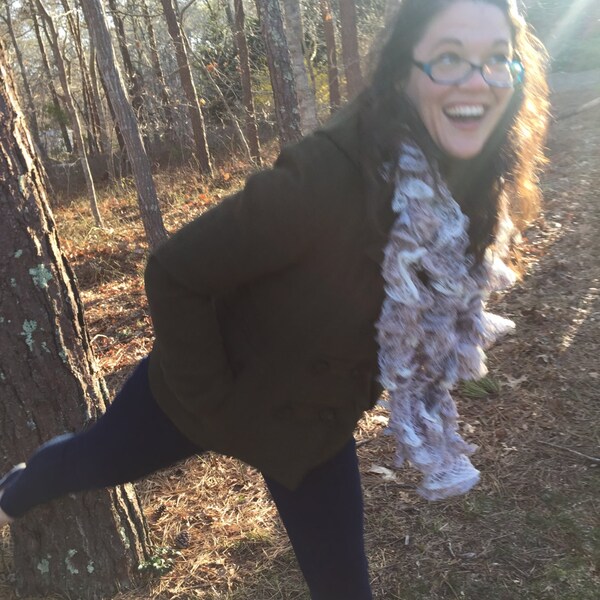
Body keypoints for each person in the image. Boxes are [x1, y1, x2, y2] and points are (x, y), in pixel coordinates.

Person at [0, 1, 549, 598]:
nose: (478, 80)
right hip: (201, 397)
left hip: (312, 431)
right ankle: (18, 489)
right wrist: (219, 407)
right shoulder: (327, 175)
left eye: (498, 59)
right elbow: (174, 271)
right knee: (91, 461)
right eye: (449, 58)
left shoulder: (471, 189)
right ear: (402, 72)